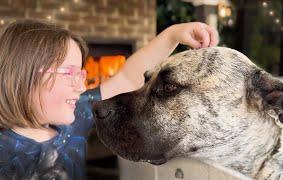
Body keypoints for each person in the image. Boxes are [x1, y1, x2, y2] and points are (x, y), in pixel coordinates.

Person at [0, 19, 219, 179]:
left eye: (81, 74)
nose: (81, 85)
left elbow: (125, 78)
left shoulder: (76, 117)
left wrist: (172, 35)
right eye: (69, 73)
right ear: (23, 77)